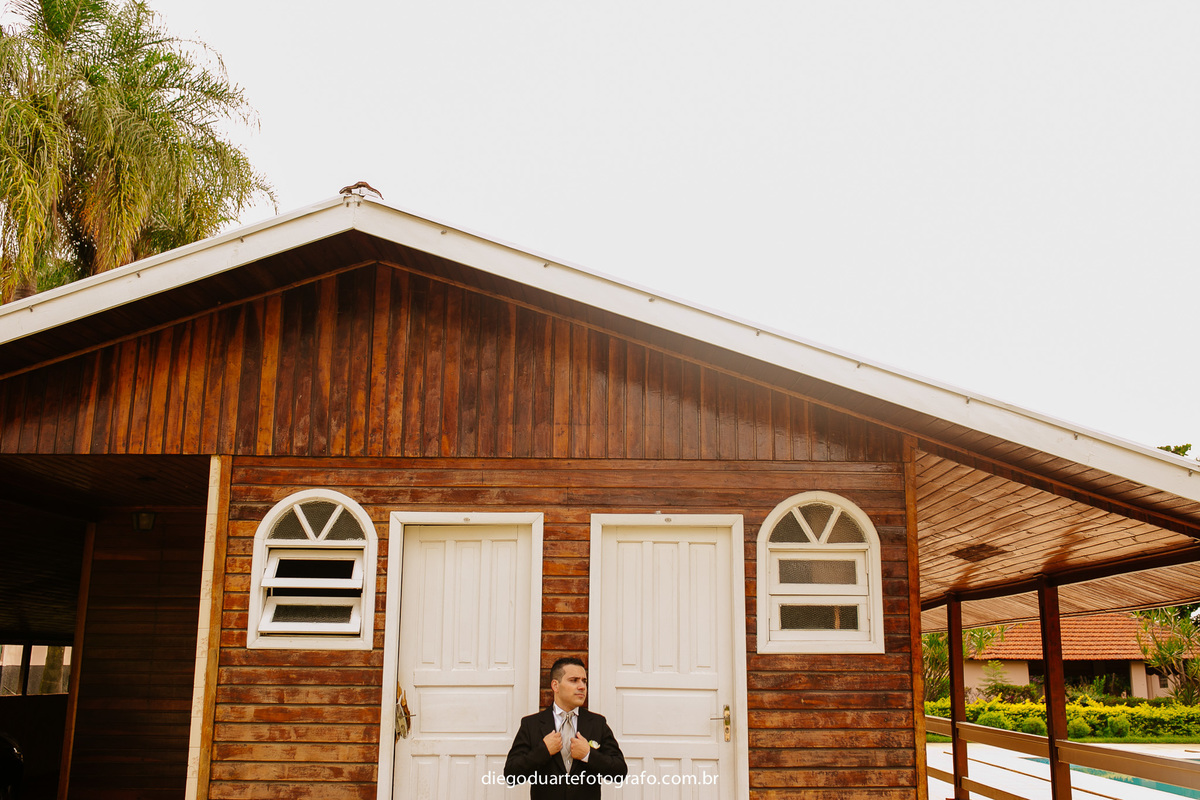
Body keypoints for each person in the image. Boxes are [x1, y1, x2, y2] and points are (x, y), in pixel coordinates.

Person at [504, 657, 627, 798]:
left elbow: (620, 773)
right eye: (574, 680)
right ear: (555, 686)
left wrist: (588, 754)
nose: (582, 686)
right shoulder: (532, 724)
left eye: (584, 681)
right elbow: (511, 776)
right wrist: (543, 751)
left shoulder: (597, 723)